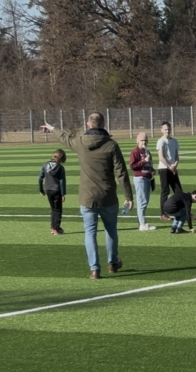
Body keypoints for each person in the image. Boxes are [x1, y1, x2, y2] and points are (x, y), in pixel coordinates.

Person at [40, 112, 133, 279]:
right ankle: (112, 263)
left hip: (87, 198)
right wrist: (129, 197)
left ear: (88, 124)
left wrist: (52, 129)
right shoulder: (111, 145)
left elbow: (65, 138)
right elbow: (121, 172)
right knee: (111, 230)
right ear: (103, 125)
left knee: (90, 233)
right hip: (108, 197)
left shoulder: (81, 142)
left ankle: (95, 269)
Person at [129, 132, 157, 231]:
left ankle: (142, 222)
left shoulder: (148, 151)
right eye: (142, 140)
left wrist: (152, 170)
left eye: (145, 140)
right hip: (140, 178)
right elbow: (132, 166)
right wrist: (144, 161)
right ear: (138, 141)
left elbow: (149, 164)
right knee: (142, 201)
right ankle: (142, 224)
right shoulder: (135, 152)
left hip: (148, 178)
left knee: (145, 201)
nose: (143, 142)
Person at [38, 149, 67, 235]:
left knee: (53, 209)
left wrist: (41, 190)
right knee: (58, 210)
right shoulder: (60, 168)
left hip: (48, 190)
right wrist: (63, 193)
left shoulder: (45, 165)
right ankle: (56, 228)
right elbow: (62, 181)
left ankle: (53, 226)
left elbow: (40, 178)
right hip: (57, 190)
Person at [156, 121, 181, 216]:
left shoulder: (174, 141)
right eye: (165, 129)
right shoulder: (161, 142)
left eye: (169, 129)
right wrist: (170, 166)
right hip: (164, 169)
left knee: (178, 191)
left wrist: (175, 165)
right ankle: (163, 213)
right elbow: (161, 157)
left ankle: (183, 210)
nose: (167, 131)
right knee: (165, 191)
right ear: (162, 130)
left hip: (172, 168)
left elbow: (176, 156)